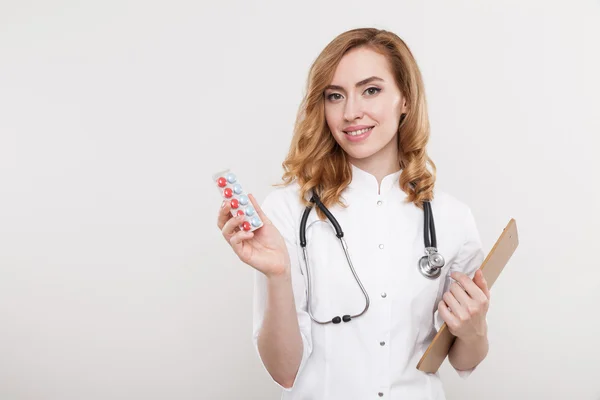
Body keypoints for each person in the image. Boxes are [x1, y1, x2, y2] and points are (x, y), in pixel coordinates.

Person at [216, 27, 490, 400]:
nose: (350, 112)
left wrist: (473, 327)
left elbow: (462, 360)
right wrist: (278, 276)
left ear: (405, 99)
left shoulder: (451, 218)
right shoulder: (286, 210)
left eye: (371, 90)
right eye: (335, 96)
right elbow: (284, 372)